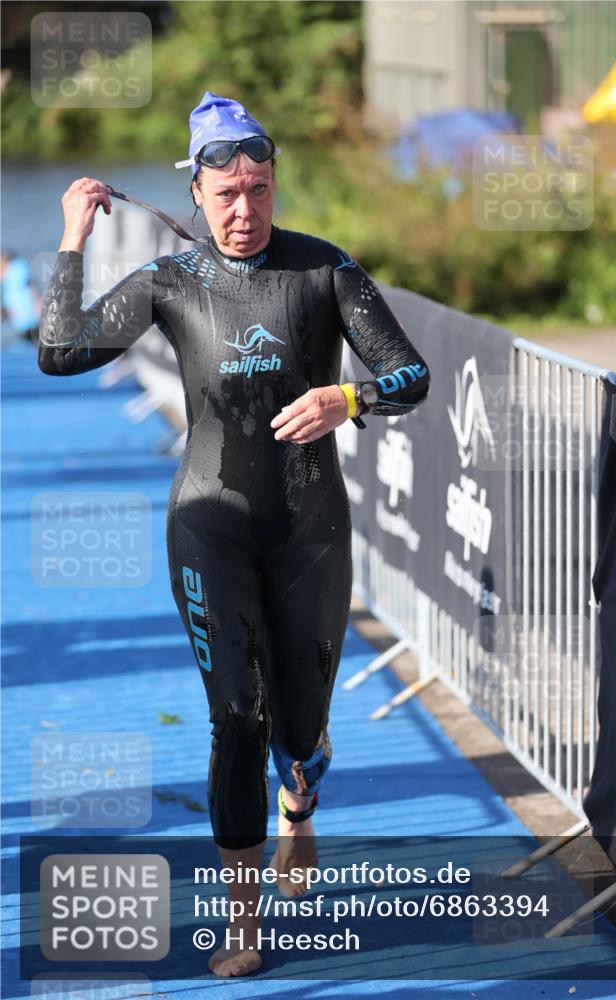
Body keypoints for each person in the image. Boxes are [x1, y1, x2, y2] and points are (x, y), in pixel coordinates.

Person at [38, 92, 430, 976]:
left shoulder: (323, 270)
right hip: (207, 523)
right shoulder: (171, 283)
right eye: (226, 196)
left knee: (300, 727)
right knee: (236, 721)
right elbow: (58, 351)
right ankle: (242, 925)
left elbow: (411, 372)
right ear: (198, 193)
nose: (245, 210)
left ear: (273, 181)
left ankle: (300, 803)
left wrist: (349, 398)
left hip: (310, 529)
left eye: (258, 189)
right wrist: (72, 236)